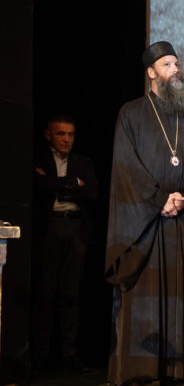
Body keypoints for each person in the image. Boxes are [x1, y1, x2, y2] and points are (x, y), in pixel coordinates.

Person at [105, 41, 184, 386]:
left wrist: (183, 199)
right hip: (144, 223)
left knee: (180, 298)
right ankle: (143, 371)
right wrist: (159, 199)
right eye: (167, 65)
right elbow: (126, 168)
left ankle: (182, 370)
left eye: (177, 64)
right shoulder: (131, 114)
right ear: (151, 72)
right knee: (144, 298)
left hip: (180, 222)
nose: (175, 70)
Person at [32, 114, 98, 373]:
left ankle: (69, 354)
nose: (66, 139)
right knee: (45, 292)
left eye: (70, 134)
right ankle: (41, 355)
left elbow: (92, 191)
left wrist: (56, 185)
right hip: (49, 228)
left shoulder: (83, 162)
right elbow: (38, 185)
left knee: (71, 294)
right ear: (49, 135)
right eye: (61, 134)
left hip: (75, 228)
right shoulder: (38, 159)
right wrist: (72, 183)